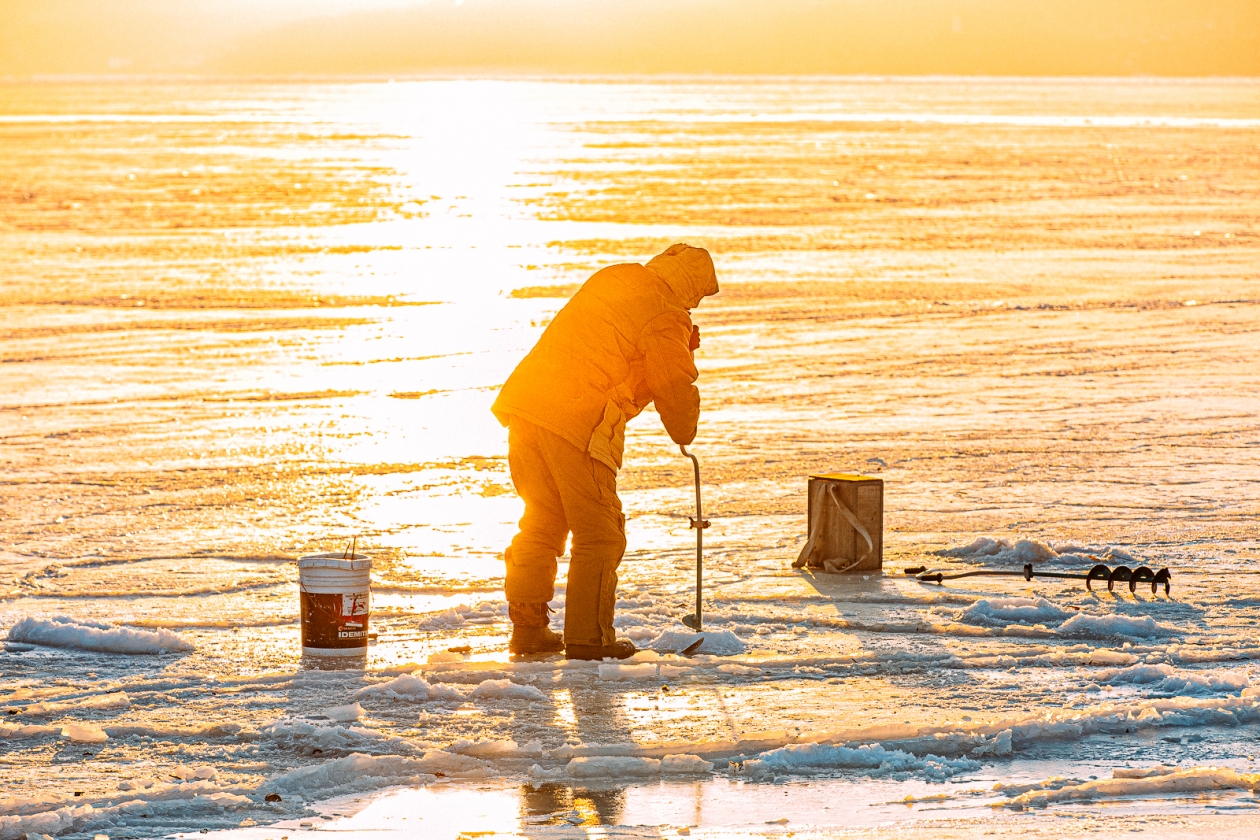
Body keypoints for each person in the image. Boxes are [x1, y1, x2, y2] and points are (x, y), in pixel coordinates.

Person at [492, 244, 719, 659]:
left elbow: (609, 352)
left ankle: (527, 631)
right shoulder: (667, 312)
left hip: (527, 405)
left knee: (543, 519)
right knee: (600, 532)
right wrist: (684, 429)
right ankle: (588, 640)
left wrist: (677, 344)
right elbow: (673, 385)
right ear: (691, 287)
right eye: (699, 296)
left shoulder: (617, 276)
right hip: (575, 419)